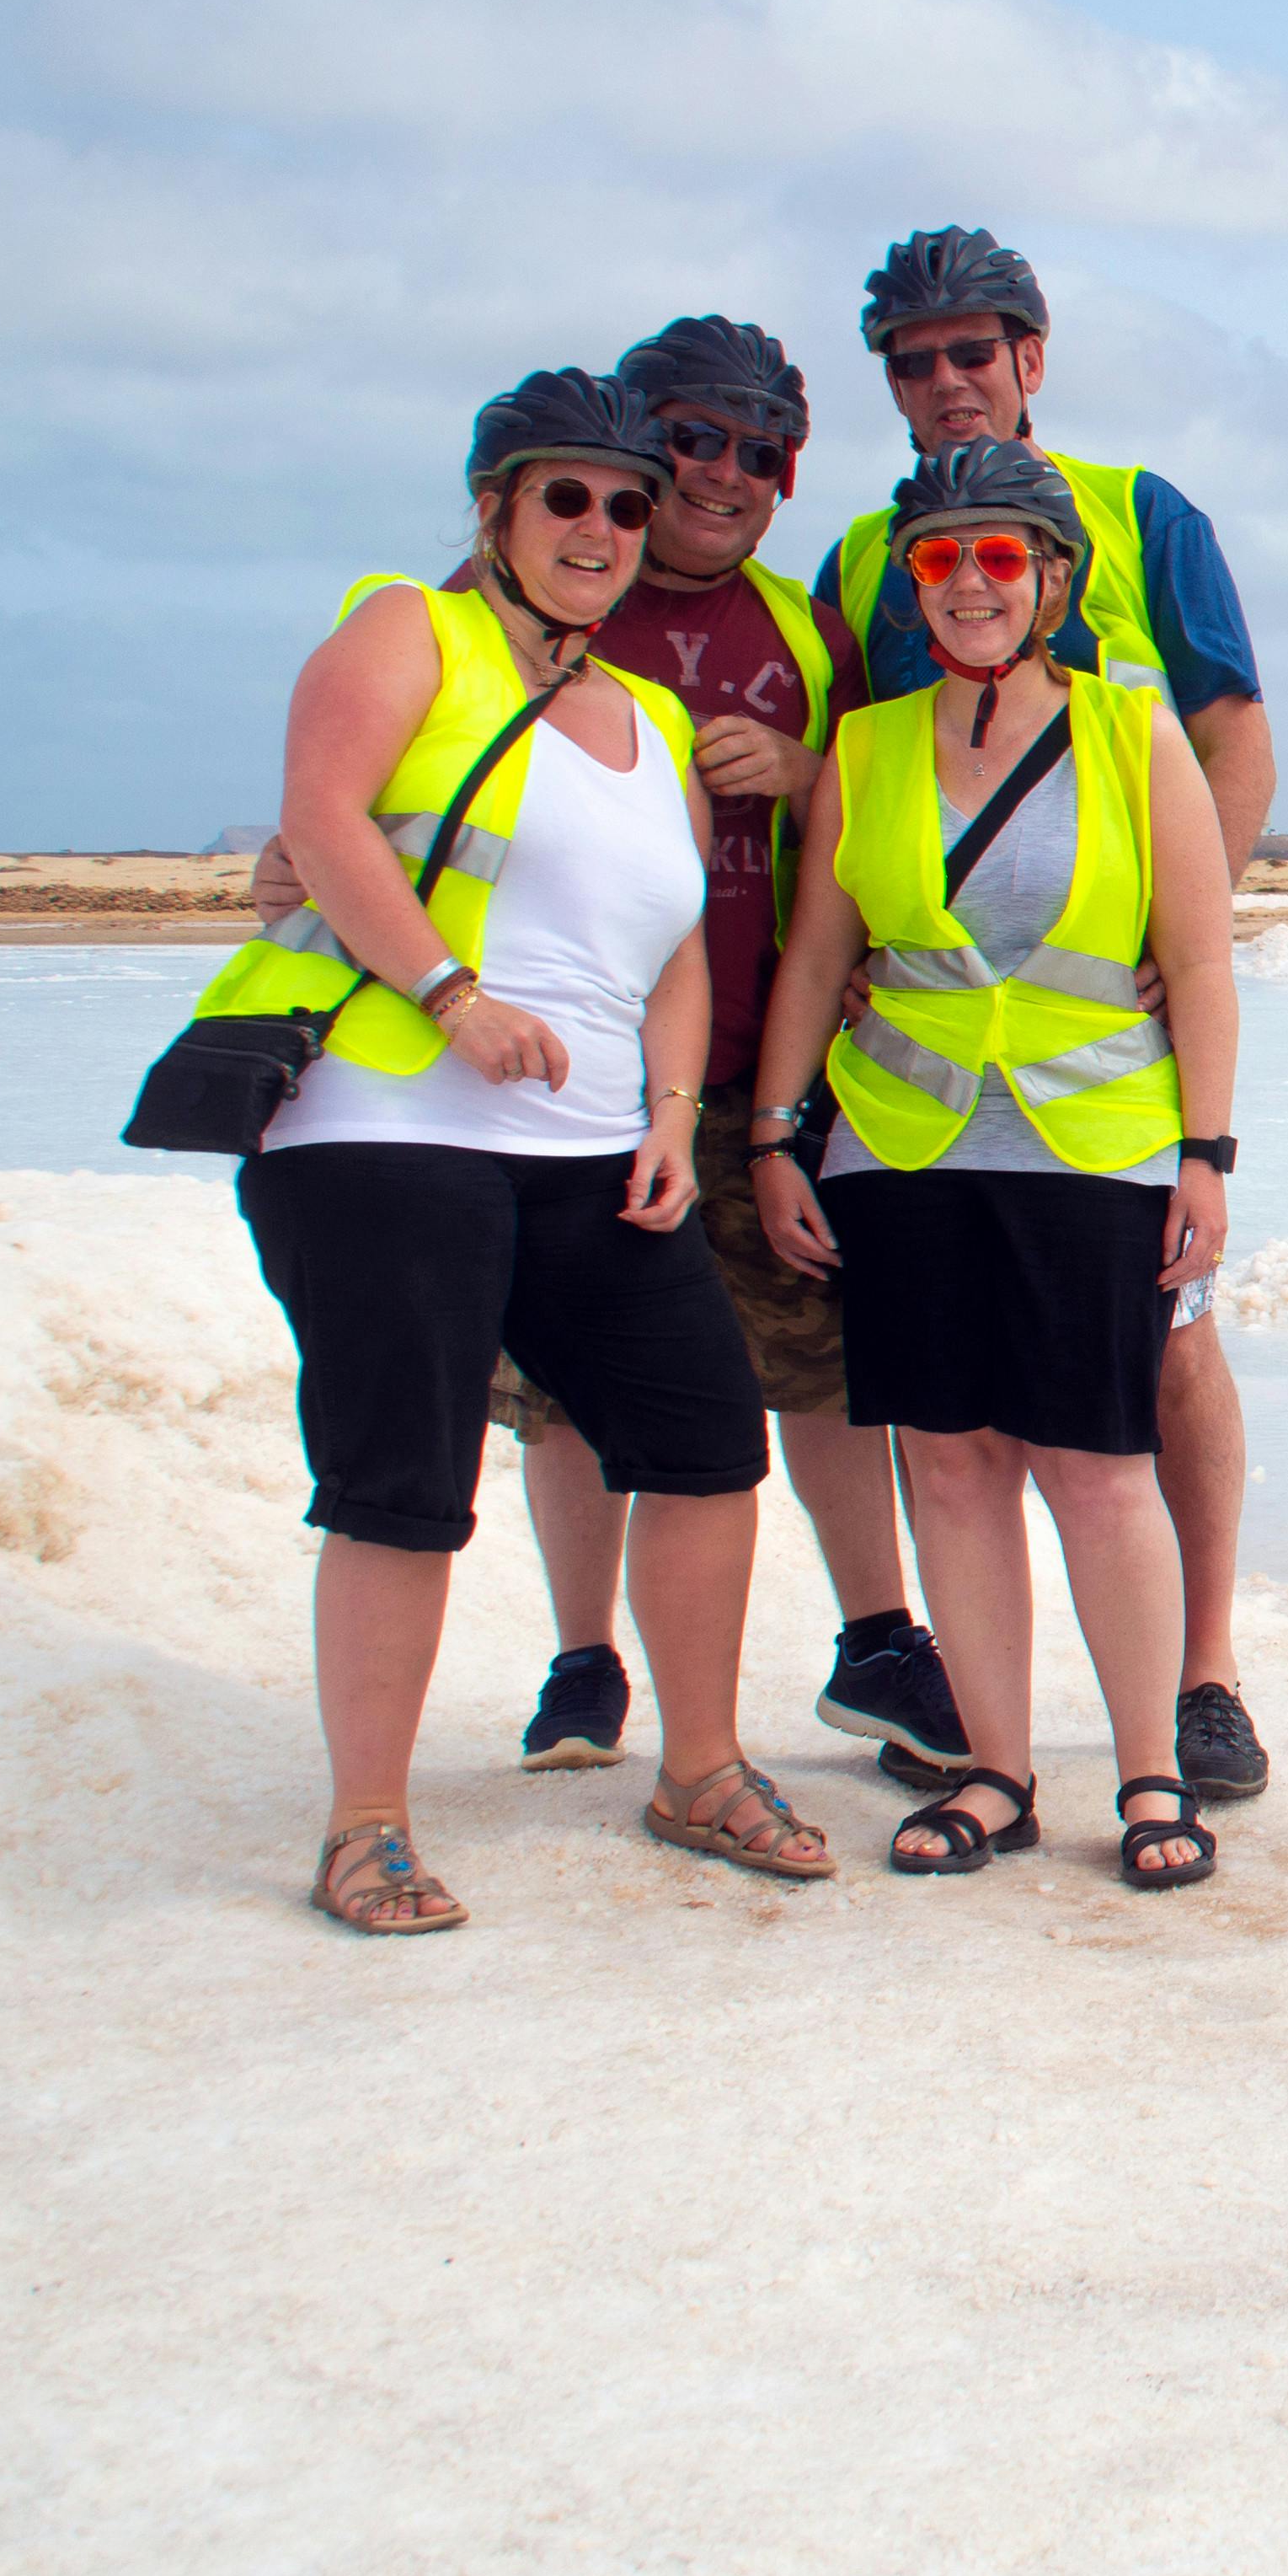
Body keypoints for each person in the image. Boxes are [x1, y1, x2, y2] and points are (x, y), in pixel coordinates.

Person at [254, 317, 956, 1778]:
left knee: (808, 1364)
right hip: (500, 1083)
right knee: (558, 1402)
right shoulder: (477, 611)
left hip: (751, 1054)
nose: (714, 479)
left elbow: (880, 816)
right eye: (687, 443)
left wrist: (805, 769)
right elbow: (358, 790)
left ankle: (879, 1643)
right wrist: (348, 907)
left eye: (760, 453)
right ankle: (586, 1662)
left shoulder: (800, 628)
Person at [201, 369, 827, 1933]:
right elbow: (324, 821)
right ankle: (367, 1826)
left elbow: (679, 950)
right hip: (383, 1124)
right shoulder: (411, 630)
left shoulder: (652, 717)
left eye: (627, 505)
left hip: (589, 1149)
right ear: (495, 509)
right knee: (402, 1478)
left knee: (702, 1441)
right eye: (567, 498)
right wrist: (450, 996)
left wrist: (675, 1122)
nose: (601, 530)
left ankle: (698, 1771)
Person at [813, 226, 1275, 1811]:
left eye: (970, 352)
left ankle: (1202, 1679)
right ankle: (994, 1742)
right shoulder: (872, 556)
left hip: (1114, 1058)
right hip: (928, 1088)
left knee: (1171, 1362)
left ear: (1030, 353)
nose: (944, 383)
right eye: (913, 362)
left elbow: (1236, 742)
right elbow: (841, 781)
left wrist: (1179, 922)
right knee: (958, 1434)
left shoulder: (1143, 515)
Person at [756, 441, 1241, 1891]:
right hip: (901, 1151)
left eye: (1002, 557)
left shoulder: (1133, 734)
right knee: (951, 1468)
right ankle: (996, 1772)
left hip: (1090, 1153)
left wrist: (1204, 1157)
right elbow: (819, 956)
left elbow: (1203, 960)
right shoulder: (871, 747)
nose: (970, 581)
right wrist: (783, 1135)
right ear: (913, 584)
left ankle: (1150, 1773)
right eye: (941, 558)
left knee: (1098, 1470)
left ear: (1052, 579)